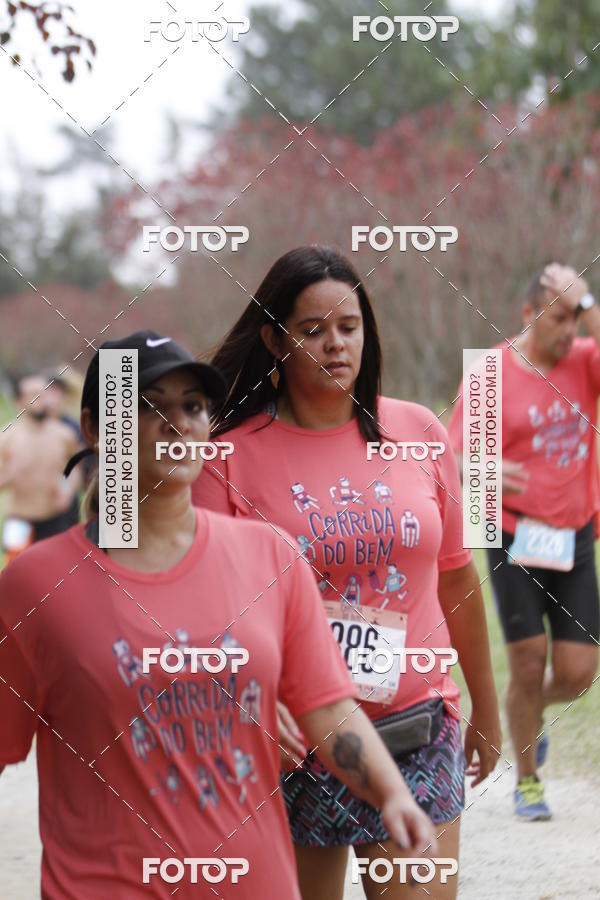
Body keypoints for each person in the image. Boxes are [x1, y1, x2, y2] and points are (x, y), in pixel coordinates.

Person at [0, 330, 436, 900]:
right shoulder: (35, 585)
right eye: (149, 406)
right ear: (93, 428)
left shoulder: (269, 557)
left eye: (193, 406)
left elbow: (327, 707)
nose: (177, 423)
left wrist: (393, 795)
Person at [193, 246, 502, 900]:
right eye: (312, 331)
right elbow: (202, 608)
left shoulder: (416, 430)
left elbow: (456, 579)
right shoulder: (226, 460)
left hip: (414, 726)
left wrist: (487, 710)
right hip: (293, 744)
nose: (335, 345)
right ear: (274, 339)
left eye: (348, 326)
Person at [448, 262, 600, 821]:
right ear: (528, 314)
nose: (569, 330)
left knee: (581, 672)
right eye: (558, 317)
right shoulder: (490, 372)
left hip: (575, 532)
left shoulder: (585, 360)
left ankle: (528, 718)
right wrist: (482, 471)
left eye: (576, 318)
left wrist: (586, 303)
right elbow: (453, 459)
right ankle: (528, 783)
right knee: (528, 661)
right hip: (508, 528)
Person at [0, 373, 82, 565]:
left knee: (54, 574)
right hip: (19, 520)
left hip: (54, 519)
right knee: (17, 574)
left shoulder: (65, 435)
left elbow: (75, 469)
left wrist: (67, 489)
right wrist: (8, 474)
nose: (41, 400)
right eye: (34, 394)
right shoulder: (7, 438)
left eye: (44, 394)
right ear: (19, 401)